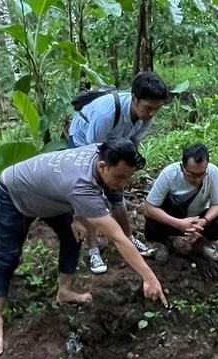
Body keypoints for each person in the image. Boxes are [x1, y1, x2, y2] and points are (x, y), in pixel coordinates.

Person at [0, 138, 167, 356]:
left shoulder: (100, 150)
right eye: (119, 177)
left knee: (72, 235)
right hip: (11, 195)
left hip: (48, 195)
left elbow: (66, 179)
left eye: (128, 177)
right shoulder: (82, 186)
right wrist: (149, 277)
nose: (123, 184)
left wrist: (78, 215)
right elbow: (118, 237)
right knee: (7, 257)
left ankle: (64, 291)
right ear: (102, 166)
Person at [68, 71, 170, 274]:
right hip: (84, 144)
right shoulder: (105, 115)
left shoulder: (145, 115)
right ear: (134, 99)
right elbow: (91, 154)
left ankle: (129, 238)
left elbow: (134, 142)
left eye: (155, 109)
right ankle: (94, 250)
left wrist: (123, 175)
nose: (151, 113)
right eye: (148, 108)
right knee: (91, 197)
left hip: (115, 143)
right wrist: (102, 182)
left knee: (117, 195)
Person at [143, 143, 218, 259]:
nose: (198, 179)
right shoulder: (169, 174)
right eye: (192, 175)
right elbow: (149, 208)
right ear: (182, 167)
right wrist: (178, 223)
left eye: (202, 174)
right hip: (172, 220)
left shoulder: (213, 172)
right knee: (153, 218)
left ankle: (198, 245)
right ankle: (161, 243)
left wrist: (204, 221)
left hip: (197, 221)